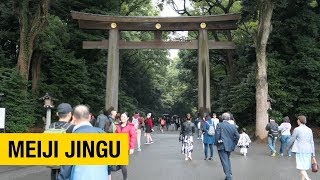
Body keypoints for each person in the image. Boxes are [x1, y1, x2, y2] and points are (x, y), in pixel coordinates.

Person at [58, 105, 108, 180]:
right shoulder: (103, 134)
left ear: (73, 118)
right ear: (90, 117)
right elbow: (112, 165)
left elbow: (66, 170)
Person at [48, 103, 74, 180]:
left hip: (54, 160)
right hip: (66, 162)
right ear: (70, 114)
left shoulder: (51, 126)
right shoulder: (72, 128)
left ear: (57, 114)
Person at [287, 115, 315, 180]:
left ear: (299, 121)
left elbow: (292, 139)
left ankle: (308, 179)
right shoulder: (309, 129)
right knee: (304, 167)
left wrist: (288, 147)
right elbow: (312, 142)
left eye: (297, 120)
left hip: (300, 150)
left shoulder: (297, 129)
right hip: (308, 150)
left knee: (301, 167)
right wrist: (313, 153)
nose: (297, 121)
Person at [215, 112, 240, 180]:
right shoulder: (233, 126)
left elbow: (217, 136)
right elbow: (237, 136)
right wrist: (234, 143)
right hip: (230, 146)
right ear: (229, 118)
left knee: (224, 161)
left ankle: (228, 176)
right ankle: (229, 174)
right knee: (227, 160)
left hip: (222, 145)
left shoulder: (219, 125)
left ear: (222, 118)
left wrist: (216, 143)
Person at [115, 112, 136, 180]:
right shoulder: (117, 125)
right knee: (118, 164)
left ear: (127, 118)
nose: (122, 118)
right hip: (117, 146)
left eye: (124, 117)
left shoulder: (130, 126)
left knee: (122, 164)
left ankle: (125, 178)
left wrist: (132, 148)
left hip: (125, 147)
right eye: (121, 117)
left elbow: (133, 137)